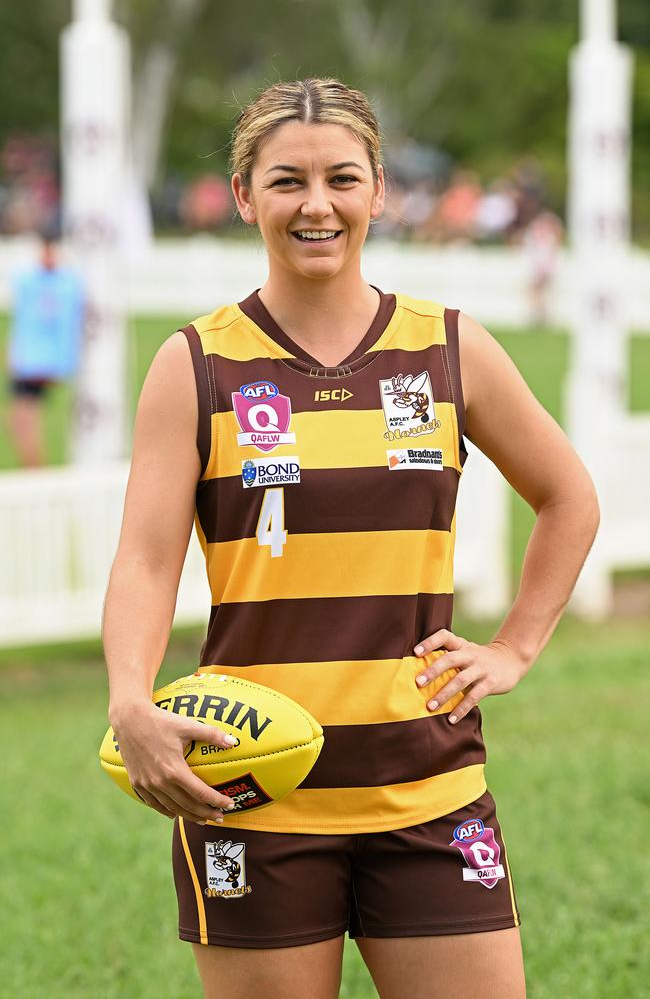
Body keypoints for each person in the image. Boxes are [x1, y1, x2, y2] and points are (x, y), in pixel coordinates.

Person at [103, 78, 599, 999]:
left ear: (380, 191)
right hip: (249, 796)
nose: (317, 204)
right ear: (245, 196)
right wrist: (130, 700)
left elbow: (569, 497)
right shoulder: (196, 365)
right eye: (287, 180)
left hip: (429, 791)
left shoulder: (448, 348)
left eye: (342, 178)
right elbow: (144, 559)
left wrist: (516, 645)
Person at [6, 234, 84, 466]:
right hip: (29, 361)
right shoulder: (40, 281)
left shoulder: (62, 284)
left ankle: (35, 470)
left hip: (38, 363)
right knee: (20, 421)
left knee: (23, 420)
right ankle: (33, 468)